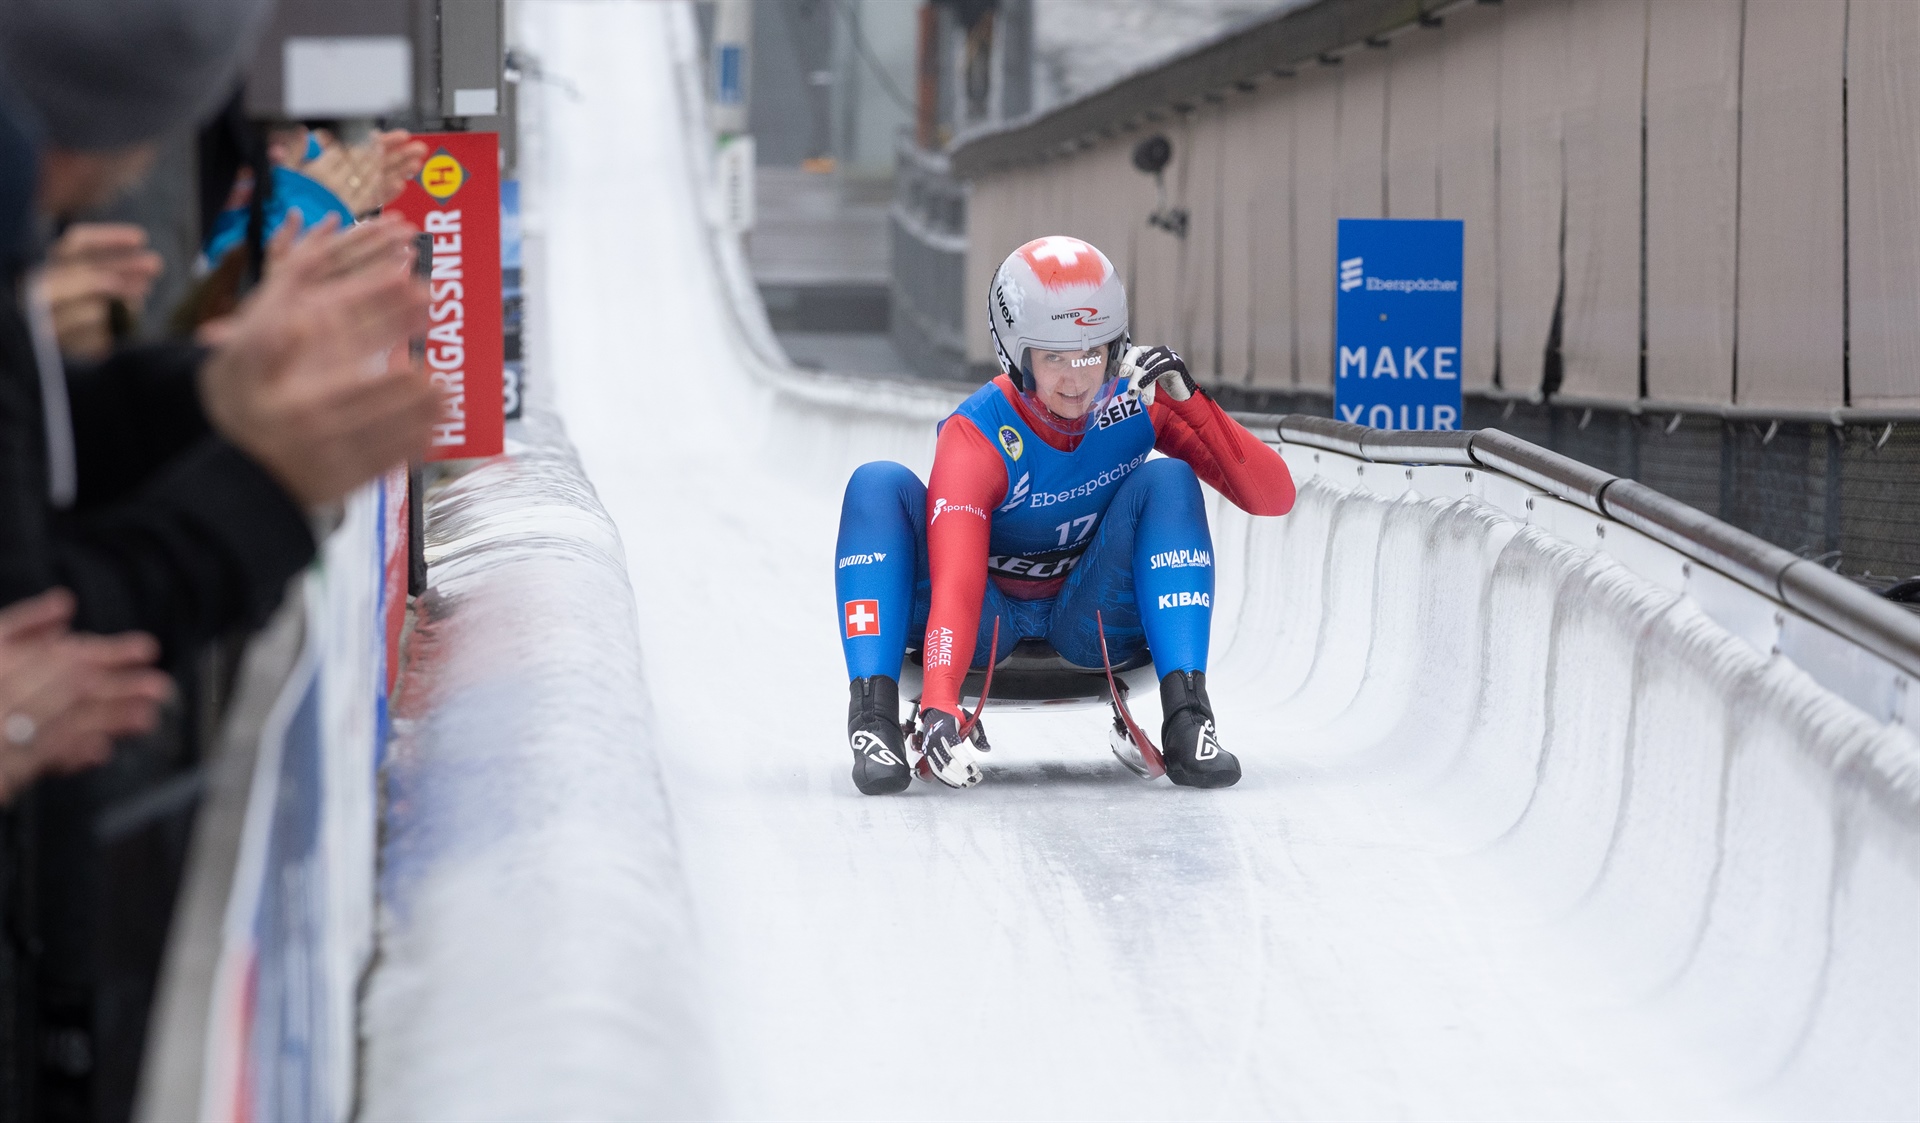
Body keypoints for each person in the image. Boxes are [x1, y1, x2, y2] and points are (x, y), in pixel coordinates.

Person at [834, 235, 1296, 794]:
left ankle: (1189, 718)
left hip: (1090, 618)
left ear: (1116, 347)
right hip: (985, 625)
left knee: (1169, 480)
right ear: (1016, 357)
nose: (1076, 381)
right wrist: (939, 702)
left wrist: (1192, 402)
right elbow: (955, 583)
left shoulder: (1138, 398)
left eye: (1091, 354)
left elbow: (1273, 497)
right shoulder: (976, 435)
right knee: (876, 485)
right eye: (1054, 358)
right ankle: (873, 722)